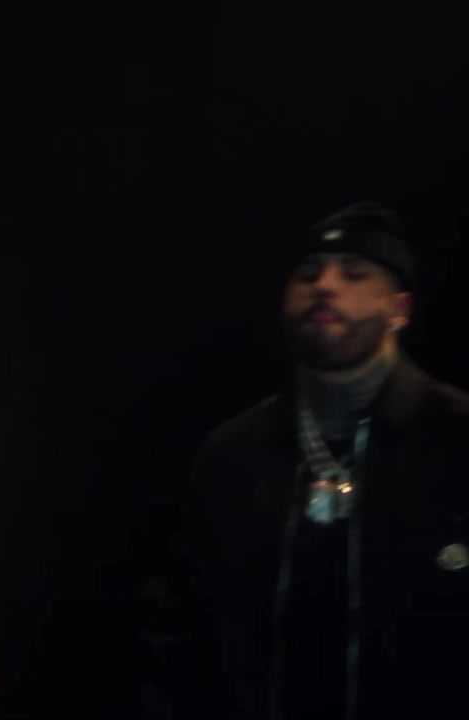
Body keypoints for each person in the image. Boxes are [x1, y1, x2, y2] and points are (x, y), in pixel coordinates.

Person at [172, 202, 469, 720]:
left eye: (353, 273)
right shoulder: (233, 455)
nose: (325, 285)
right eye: (308, 273)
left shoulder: (455, 441)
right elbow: (184, 627)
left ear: (399, 307)